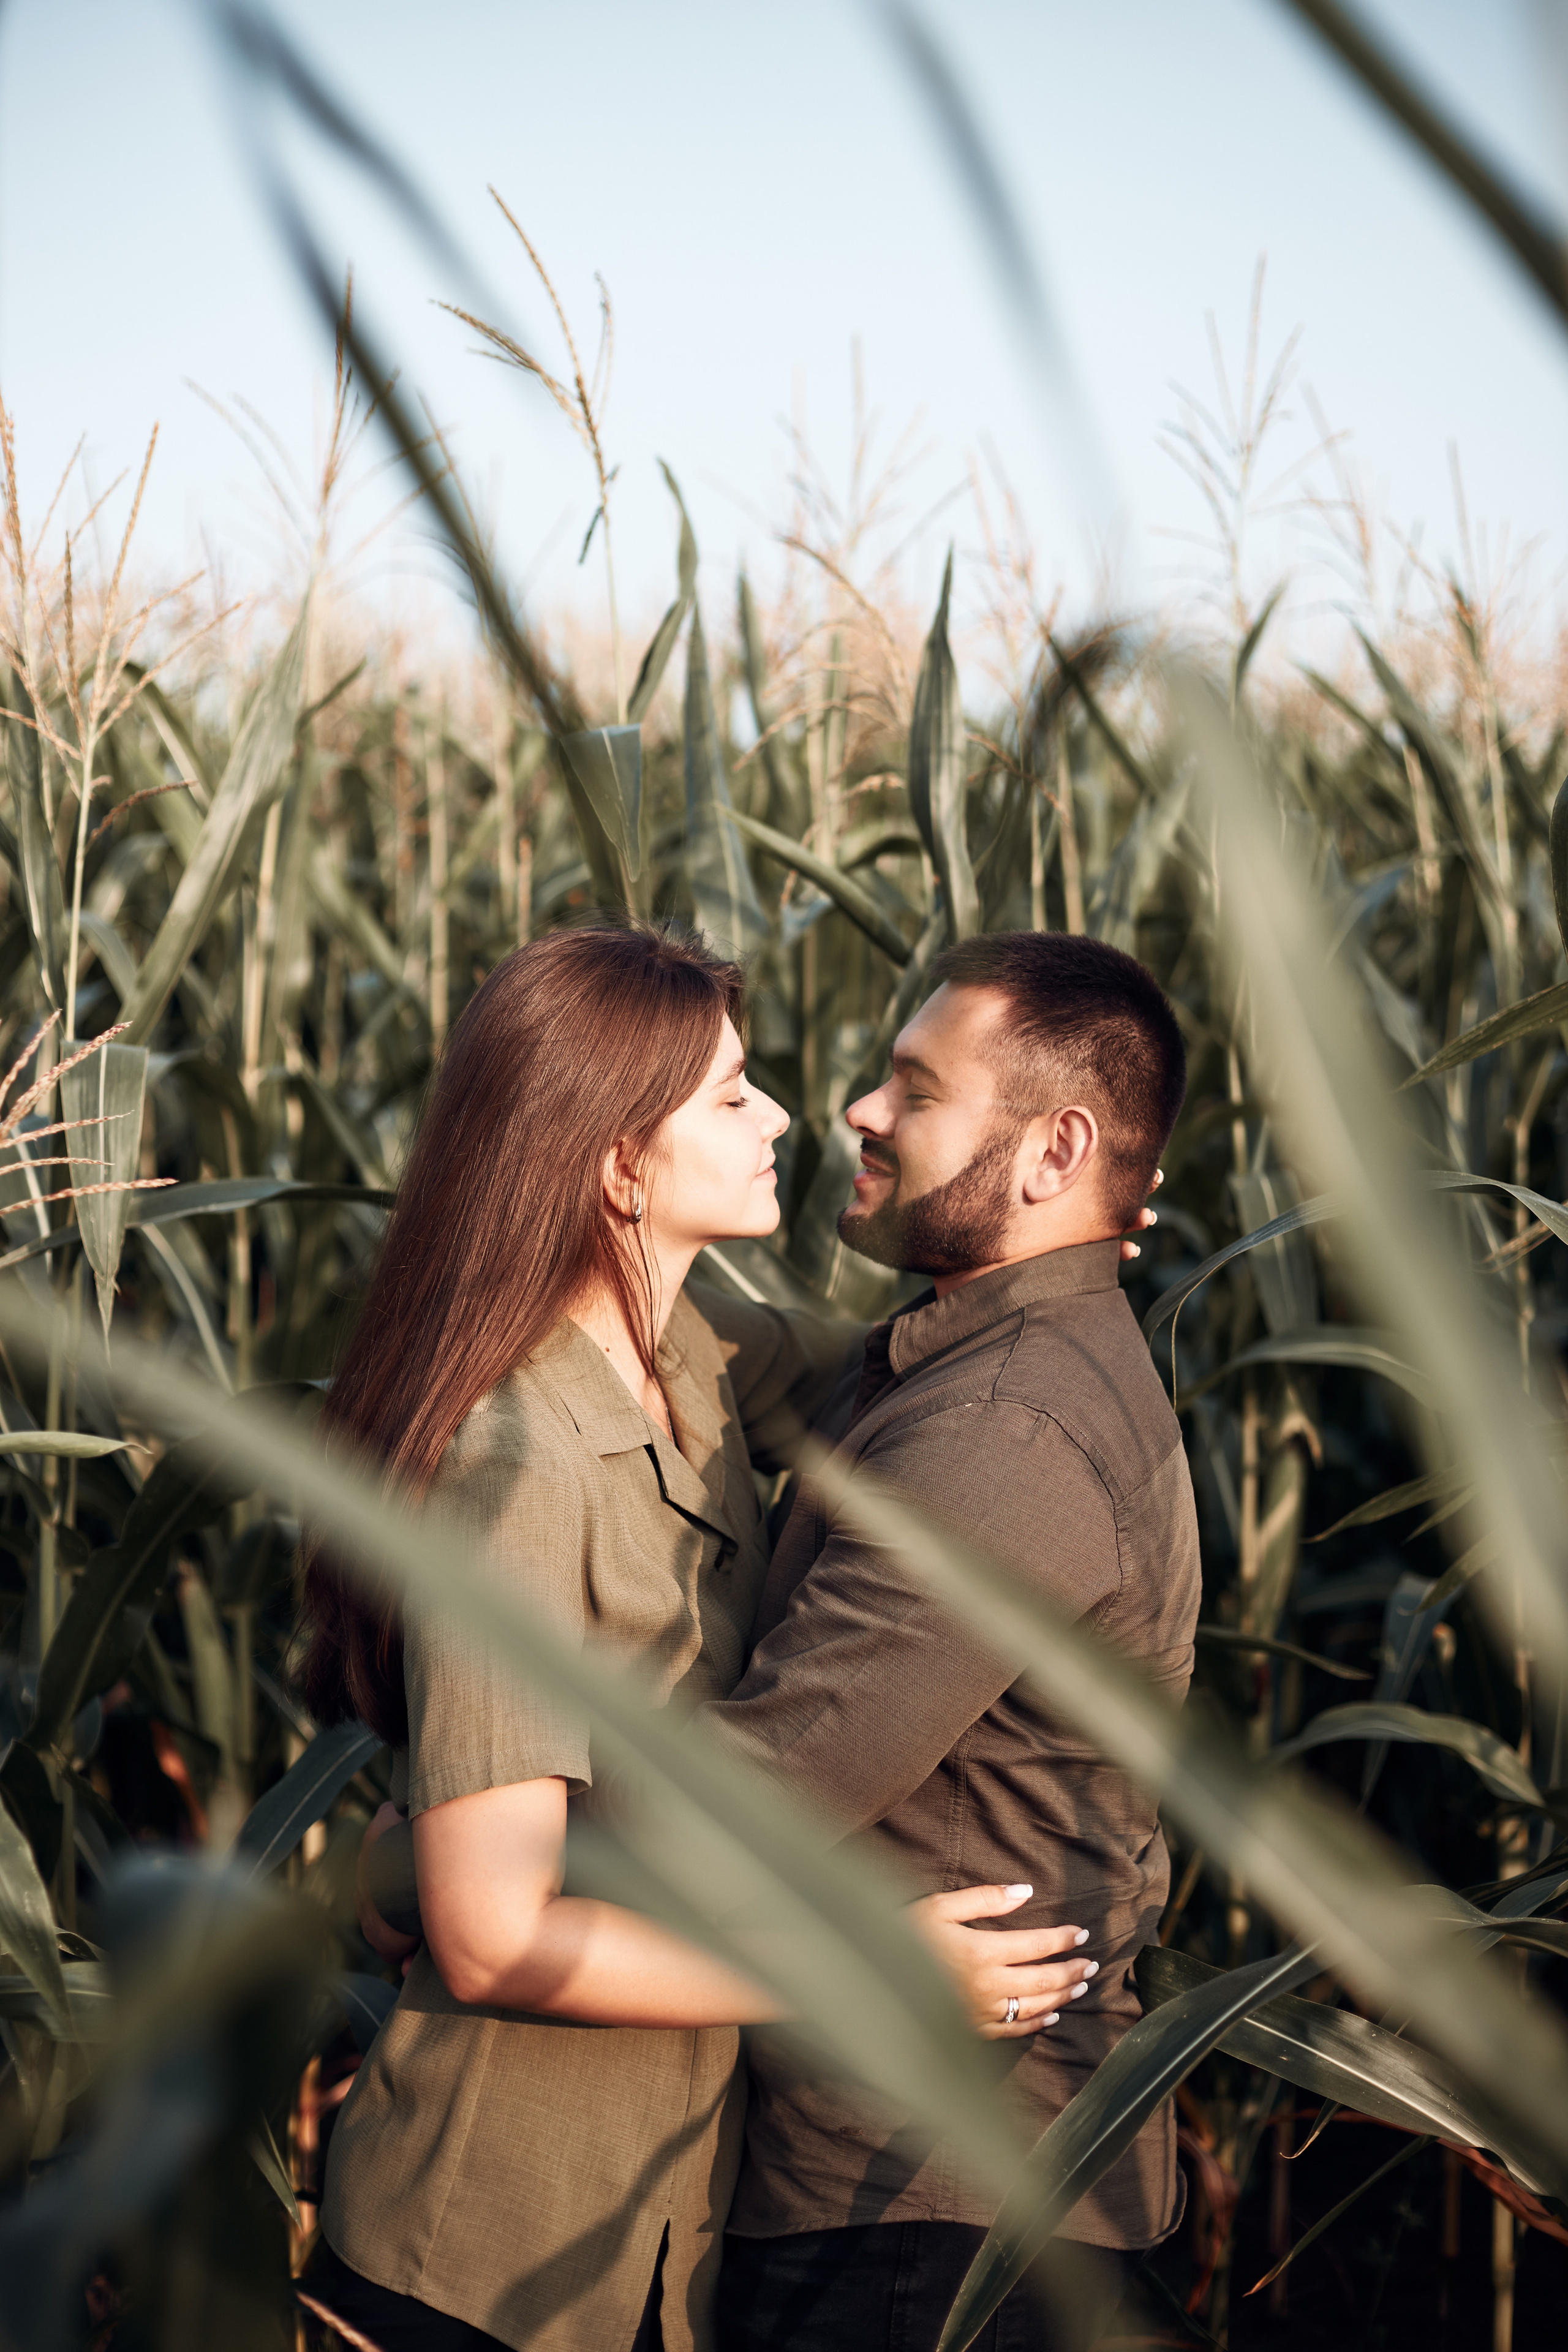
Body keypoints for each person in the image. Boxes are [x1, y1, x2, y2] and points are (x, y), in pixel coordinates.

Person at [300, 923, 1097, 2352]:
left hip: (654, 2254)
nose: (785, 1115)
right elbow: (492, 1940)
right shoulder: (518, 1462)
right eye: (731, 1095)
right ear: (617, 1164)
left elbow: (911, 1361)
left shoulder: (699, 1356)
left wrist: (1079, 1223)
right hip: (481, 2259)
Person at [702, 930, 1200, 2352]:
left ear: (1052, 1154)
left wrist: (434, 1865)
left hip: (928, 2222)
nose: (857, 1110)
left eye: (913, 1092)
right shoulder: (971, 1355)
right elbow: (747, 1353)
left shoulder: (1004, 1433)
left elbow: (732, 1807)